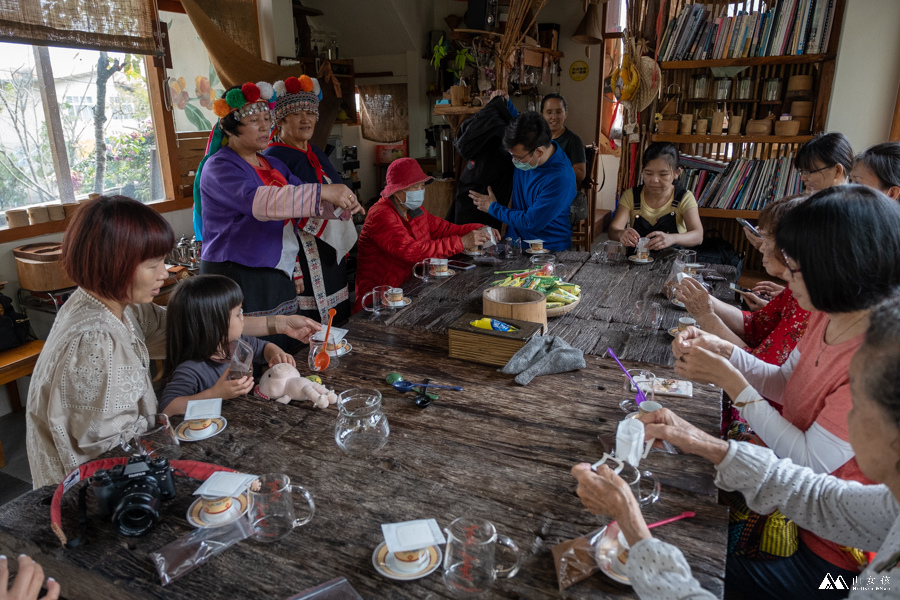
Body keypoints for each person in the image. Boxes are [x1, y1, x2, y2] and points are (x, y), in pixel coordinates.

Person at [571, 294, 900, 599]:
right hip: (859, 571)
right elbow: (819, 499)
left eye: (854, 404)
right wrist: (704, 443)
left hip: (841, 578)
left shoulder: (886, 587)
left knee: (702, 564)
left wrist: (630, 522)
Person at [672, 186, 900, 589]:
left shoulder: (877, 358)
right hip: (795, 503)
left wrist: (731, 380)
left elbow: (810, 463)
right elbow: (782, 382)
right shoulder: (825, 314)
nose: (782, 273)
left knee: (687, 560)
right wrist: (724, 350)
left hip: (832, 559)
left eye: (795, 265)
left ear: (835, 267)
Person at [25, 196, 322, 489]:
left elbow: (199, 325)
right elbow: (109, 448)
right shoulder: (94, 340)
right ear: (114, 265)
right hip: (96, 484)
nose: (164, 273)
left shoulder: (113, 301)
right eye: (153, 264)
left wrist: (280, 323)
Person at [198, 81, 363, 351]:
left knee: (284, 345)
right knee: (249, 349)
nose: (265, 126)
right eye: (254, 120)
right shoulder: (219, 167)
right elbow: (261, 202)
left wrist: (340, 206)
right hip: (238, 274)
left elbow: (302, 201)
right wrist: (324, 190)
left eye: (267, 118)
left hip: (275, 271)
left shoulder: (272, 164)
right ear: (229, 128)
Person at [263, 75, 357, 325]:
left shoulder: (314, 151)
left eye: (310, 112)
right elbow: (281, 210)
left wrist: (350, 201)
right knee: (311, 319)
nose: (306, 119)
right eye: (297, 114)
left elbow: (334, 186)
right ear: (281, 119)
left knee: (339, 309)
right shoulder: (274, 157)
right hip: (303, 251)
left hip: (329, 248)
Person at [675, 196, 809, 366]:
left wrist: (705, 316)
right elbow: (754, 326)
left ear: (789, 247)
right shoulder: (796, 288)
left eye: (766, 239)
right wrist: (700, 298)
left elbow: (759, 369)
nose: (760, 247)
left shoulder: (810, 305)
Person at [354, 158, 494, 313]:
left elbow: (444, 229)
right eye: (415, 187)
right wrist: (462, 242)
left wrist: (479, 228)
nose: (421, 190)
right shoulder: (381, 214)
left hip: (407, 291)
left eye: (422, 185)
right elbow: (412, 251)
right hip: (379, 301)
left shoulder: (414, 210)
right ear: (397, 190)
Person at [159, 275, 296, 416]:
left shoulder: (236, 344)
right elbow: (167, 408)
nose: (243, 318)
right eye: (238, 314)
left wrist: (277, 355)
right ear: (214, 325)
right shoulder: (191, 369)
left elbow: (264, 348)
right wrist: (215, 394)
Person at [469, 111, 576, 251]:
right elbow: (521, 121)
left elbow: (530, 222)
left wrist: (492, 208)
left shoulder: (560, 178)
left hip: (547, 250)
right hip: (515, 243)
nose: (515, 161)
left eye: (518, 158)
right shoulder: (531, 143)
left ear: (539, 152)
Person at [608, 142, 704, 251]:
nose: (654, 180)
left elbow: (698, 236)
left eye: (663, 174)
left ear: (676, 173)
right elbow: (612, 231)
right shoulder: (631, 196)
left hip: (671, 263)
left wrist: (672, 238)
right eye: (648, 173)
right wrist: (621, 233)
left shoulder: (684, 197)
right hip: (635, 261)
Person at [541, 93, 586, 187]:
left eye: (558, 112)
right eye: (549, 112)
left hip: (562, 192)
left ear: (565, 114)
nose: (554, 117)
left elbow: (581, 174)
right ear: (542, 115)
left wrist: (554, 169)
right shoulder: (538, 139)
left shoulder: (573, 140)